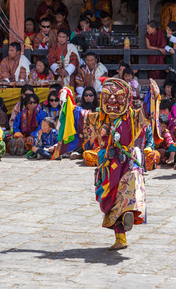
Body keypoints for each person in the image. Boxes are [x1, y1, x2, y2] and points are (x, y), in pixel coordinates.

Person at [54, 78, 162, 250]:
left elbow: (147, 112)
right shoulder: (97, 118)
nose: (112, 102)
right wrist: (67, 97)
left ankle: (128, 213)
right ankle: (121, 237)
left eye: (118, 98)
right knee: (110, 200)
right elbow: (75, 114)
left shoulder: (133, 116)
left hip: (127, 160)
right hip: (108, 164)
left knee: (128, 190)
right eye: (107, 97)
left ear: (127, 99)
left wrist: (152, 94)